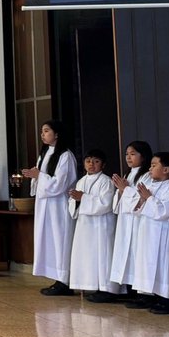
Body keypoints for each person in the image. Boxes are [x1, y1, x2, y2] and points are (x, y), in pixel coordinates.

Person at [23, 119, 78, 295]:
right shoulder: (45, 154)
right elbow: (41, 180)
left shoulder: (65, 156)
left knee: (60, 240)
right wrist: (35, 176)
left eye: (46, 131)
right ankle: (57, 277)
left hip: (58, 205)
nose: (42, 134)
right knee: (50, 240)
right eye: (42, 131)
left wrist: (39, 175)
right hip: (45, 205)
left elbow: (59, 184)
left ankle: (65, 280)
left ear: (57, 134)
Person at [130, 150, 169, 313]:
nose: (150, 169)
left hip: (162, 233)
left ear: (166, 170)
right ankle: (151, 296)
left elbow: (163, 212)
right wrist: (142, 199)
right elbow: (137, 209)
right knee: (148, 263)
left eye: (153, 165)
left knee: (163, 264)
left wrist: (149, 198)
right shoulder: (150, 185)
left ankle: (167, 300)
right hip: (147, 231)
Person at [68, 148, 120, 301]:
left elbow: (105, 204)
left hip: (101, 225)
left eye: (96, 161)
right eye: (88, 161)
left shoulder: (106, 181)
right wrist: (76, 200)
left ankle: (106, 289)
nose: (91, 164)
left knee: (102, 255)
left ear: (103, 165)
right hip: (84, 226)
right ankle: (90, 285)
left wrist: (83, 198)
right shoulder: (81, 181)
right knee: (87, 255)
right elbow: (73, 203)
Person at [108, 139, 153, 299]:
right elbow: (119, 201)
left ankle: (142, 294)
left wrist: (125, 189)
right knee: (126, 254)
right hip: (125, 221)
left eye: (133, 154)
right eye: (127, 154)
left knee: (136, 254)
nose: (128, 157)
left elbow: (141, 198)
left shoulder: (147, 175)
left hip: (137, 221)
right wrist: (121, 192)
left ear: (143, 156)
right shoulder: (127, 174)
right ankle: (130, 290)